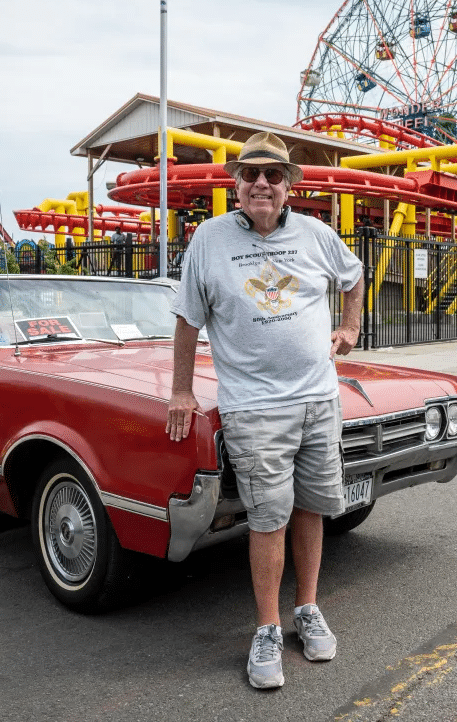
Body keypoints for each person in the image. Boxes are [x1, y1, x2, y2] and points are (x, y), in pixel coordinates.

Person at [166, 131, 363, 690]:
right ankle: (268, 627)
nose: (261, 183)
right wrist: (183, 392)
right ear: (236, 183)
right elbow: (187, 319)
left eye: (273, 175)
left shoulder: (317, 234)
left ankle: (307, 608)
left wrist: (349, 328)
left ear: (287, 185)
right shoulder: (209, 240)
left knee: (314, 507)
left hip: (318, 400)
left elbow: (353, 277)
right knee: (269, 518)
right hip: (254, 409)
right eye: (251, 173)